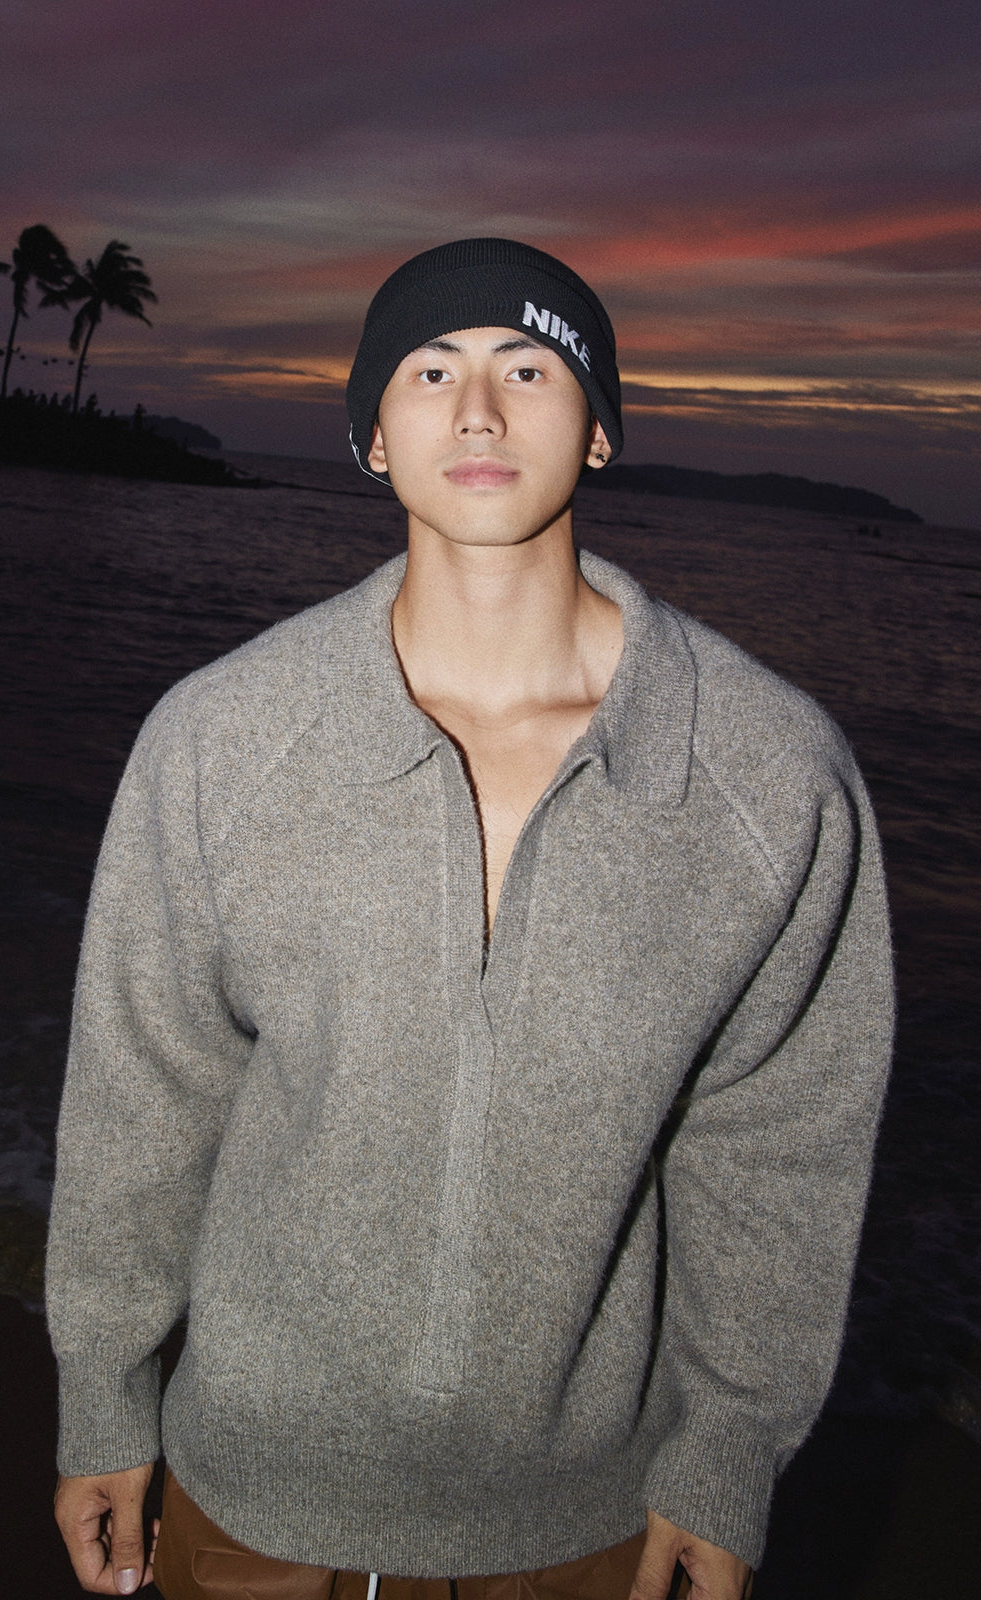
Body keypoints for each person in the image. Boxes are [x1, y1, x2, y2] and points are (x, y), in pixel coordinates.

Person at [47, 238, 893, 1600]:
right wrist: (102, 1393)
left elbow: (778, 1151)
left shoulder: (767, 774)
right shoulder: (220, 738)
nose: (481, 411)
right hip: (254, 1493)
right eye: (431, 372)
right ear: (374, 436)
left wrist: (728, 1458)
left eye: (530, 368)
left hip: (586, 1524)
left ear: (600, 426)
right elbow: (143, 1097)